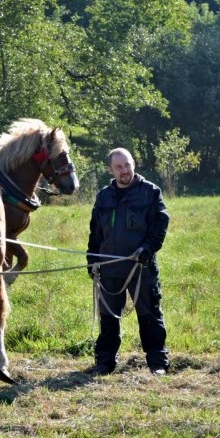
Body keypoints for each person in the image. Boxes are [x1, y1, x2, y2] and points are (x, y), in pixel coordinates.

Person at [86, 148, 170, 375]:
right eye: (119, 167)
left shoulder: (150, 192)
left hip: (140, 268)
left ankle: (157, 363)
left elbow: (159, 226)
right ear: (110, 170)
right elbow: (95, 231)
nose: (125, 171)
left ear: (134, 164)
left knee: (150, 316)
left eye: (128, 165)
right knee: (108, 319)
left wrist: (147, 249)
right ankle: (104, 363)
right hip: (109, 269)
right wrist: (92, 257)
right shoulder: (103, 196)